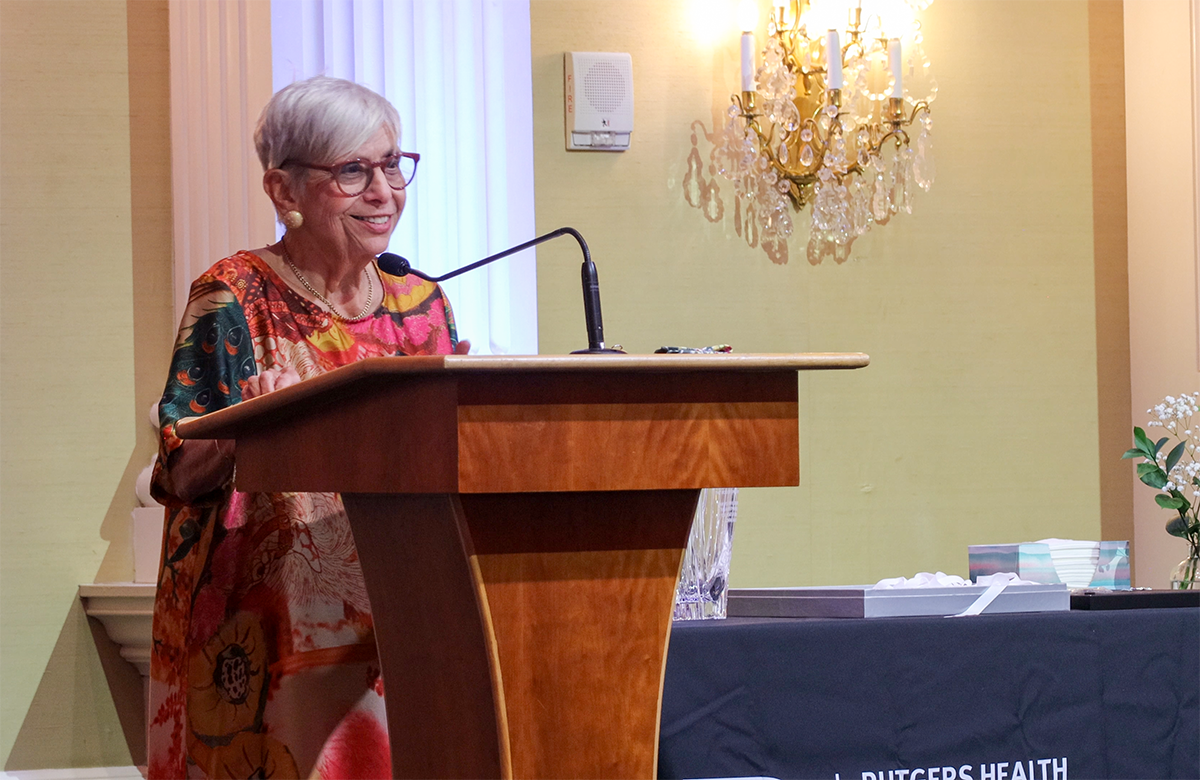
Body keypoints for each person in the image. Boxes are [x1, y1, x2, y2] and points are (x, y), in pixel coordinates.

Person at [147, 75, 468, 780]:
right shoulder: (232, 296)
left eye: (391, 164)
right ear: (283, 191)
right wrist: (251, 424)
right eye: (352, 171)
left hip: (401, 609)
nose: (383, 191)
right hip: (261, 639)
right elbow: (178, 473)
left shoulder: (421, 302)